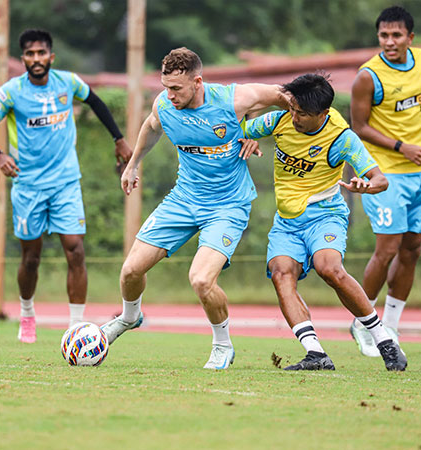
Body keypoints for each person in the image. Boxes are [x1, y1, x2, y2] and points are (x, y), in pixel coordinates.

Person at [100, 47, 286, 370]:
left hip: (228, 206)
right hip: (184, 200)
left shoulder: (232, 99)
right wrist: (132, 165)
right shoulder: (164, 104)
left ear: (198, 82)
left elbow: (283, 97)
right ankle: (130, 318)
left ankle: (222, 345)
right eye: (165, 87)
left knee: (200, 280)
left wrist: (255, 132)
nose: (169, 95)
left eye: (176, 89)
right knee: (130, 271)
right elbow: (152, 124)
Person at [243, 73, 407, 371]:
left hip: (325, 215)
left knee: (328, 268)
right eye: (293, 110)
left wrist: (366, 186)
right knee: (281, 273)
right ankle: (315, 353)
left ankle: (383, 340)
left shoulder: (341, 137)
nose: (294, 118)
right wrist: (246, 137)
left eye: (302, 114)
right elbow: (239, 125)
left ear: (323, 113)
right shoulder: (278, 121)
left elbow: (380, 180)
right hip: (287, 221)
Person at [0, 29, 133, 343]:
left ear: (51, 57)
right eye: (30, 54)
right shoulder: (11, 92)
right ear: (23, 60)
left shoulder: (68, 82)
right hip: (28, 185)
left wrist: (119, 139)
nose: (36, 59)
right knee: (31, 258)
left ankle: (76, 328)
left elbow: (96, 102)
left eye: (41, 53)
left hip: (66, 183)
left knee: (76, 251)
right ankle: (27, 314)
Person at [349, 6, 421, 357]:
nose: (389, 42)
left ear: (410, 37)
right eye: (383, 36)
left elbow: (415, 109)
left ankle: (390, 325)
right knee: (387, 248)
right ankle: (364, 320)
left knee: (412, 249)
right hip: (387, 173)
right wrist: (400, 146)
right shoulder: (368, 76)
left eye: (396, 35)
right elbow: (358, 126)